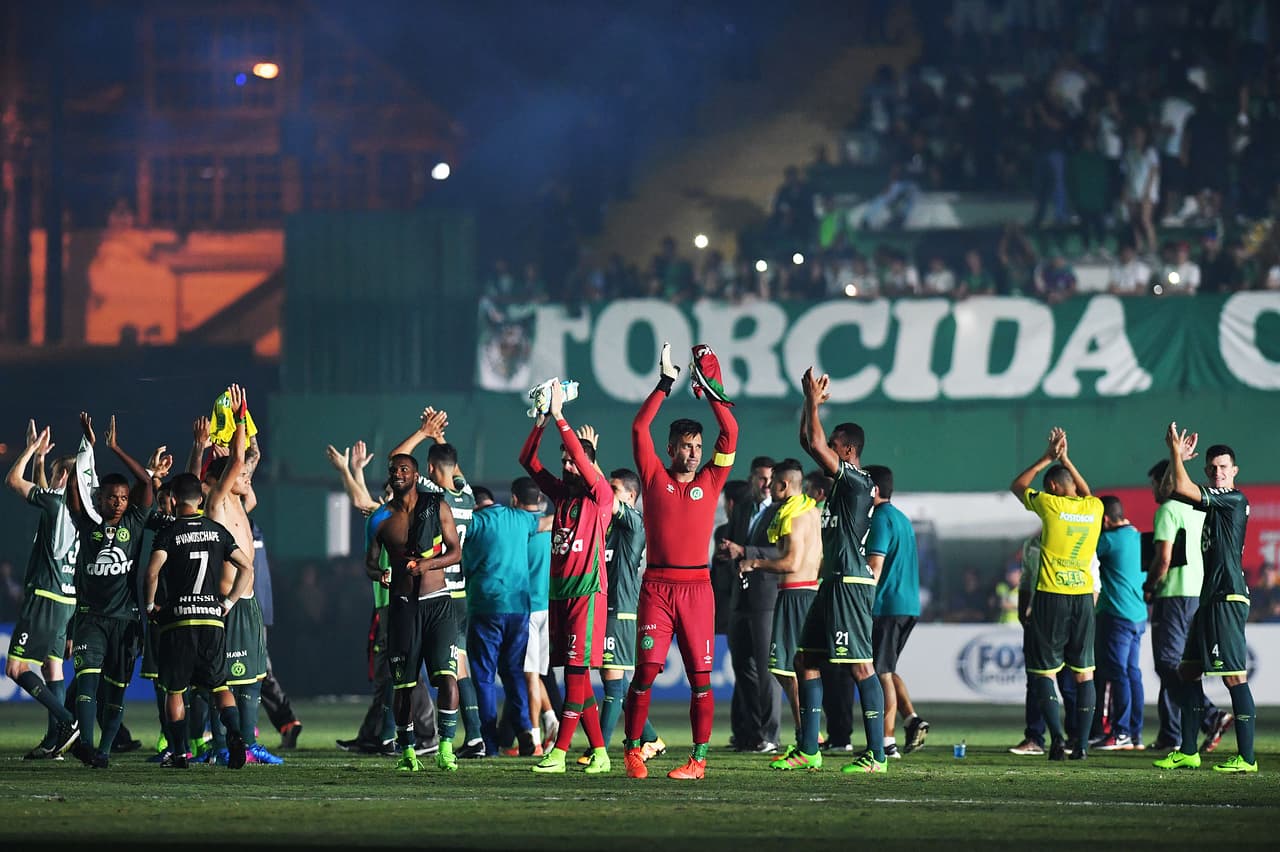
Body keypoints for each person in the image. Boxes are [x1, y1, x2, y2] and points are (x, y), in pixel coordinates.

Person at [623, 342, 738, 780]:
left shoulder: (713, 477)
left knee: (701, 680)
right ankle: (633, 750)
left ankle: (699, 760)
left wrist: (709, 389)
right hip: (656, 588)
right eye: (685, 446)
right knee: (647, 672)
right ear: (670, 448)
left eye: (697, 446)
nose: (692, 452)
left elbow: (731, 432)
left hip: (697, 591)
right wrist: (666, 384)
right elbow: (638, 429)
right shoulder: (653, 476)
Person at [786, 368, 885, 774]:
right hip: (832, 581)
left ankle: (877, 755)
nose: (825, 451)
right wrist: (809, 405)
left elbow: (815, 443)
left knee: (861, 665)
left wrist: (813, 403)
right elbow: (808, 441)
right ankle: (809, 748)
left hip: (850, 582)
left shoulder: (858, 483)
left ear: (846, 451)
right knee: (805, 659)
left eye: (833, 447)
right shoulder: (842, 485)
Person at [518, 380, 614, 774]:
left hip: (588, 594)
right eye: (565, 461)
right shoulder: (562, 496)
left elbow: (582, 458)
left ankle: (559, 752)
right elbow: (527, 460)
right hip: (559, 593)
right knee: (577, 681)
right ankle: (602, 753)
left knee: (575, 674)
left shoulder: (599, 495)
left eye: (574, 462)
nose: (568, 465)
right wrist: (542, 420)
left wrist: (561, 416)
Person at [1152, 429, 1258, 772]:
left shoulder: (1233, 499)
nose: (1218, 473)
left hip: (1227, 595)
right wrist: (1176, 459)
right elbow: (1170, 491)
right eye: (1212, 469)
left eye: (1223, 467)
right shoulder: (1210, 501)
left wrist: (1176, 454)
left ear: (1235, 470)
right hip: (1209, 597)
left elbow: (1181, 488)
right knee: (1187, 672)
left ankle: (1247, 757)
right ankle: (1187, 750)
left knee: (1233, 678)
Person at [327, 441, 437, 758]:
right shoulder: (388, 516)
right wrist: (358, 470)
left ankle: (411, 734)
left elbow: (359, 500)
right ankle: (378, 735)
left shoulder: (394, 517)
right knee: (393, 673)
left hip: (397, 605)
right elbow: (365, 502)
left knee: (399, 672)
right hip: (389, 604)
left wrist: (346, 470)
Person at [143, 473, 255, 770]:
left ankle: (180, 753)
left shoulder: (169, 532)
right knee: (219, 685)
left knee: (176, 690)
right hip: (212, 620)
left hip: (178, 622)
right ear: (201, 500)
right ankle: (235, 734)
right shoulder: (216, 531)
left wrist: (151, 605)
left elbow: (152, 572)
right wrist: (228, 602)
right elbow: (246, 566)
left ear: (175, 500)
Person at [388, 409, 482, 757]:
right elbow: (450, 465)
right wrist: (441, 441)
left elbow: (397, 460)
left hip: (436, 591)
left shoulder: (430, 494)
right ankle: (473, 736)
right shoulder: (467, 497)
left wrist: (424, 431)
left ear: (426, 471)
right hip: (460, 594)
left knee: (444, 670)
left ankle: (470, 738)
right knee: (458, 666)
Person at [66, 412, 155, 768]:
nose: (118, 502)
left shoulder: (135, 521)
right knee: (87, 683)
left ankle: (103, 751)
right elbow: (73, 496)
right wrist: (82, 453)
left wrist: (115, 447)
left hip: (125, 621)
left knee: (116, 691)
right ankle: (86, 746)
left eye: (121, 497)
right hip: (91, 619)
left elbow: (147, 484)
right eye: (111, 497)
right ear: (99, 499)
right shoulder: (87, 524)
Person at [1010, 426, 1102, 761]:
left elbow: (1017, 486)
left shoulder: (1048, 504)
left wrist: (1047, 458)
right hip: (1083, 597)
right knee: (1084, 672)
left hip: (1051, 595)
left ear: (1051, 486)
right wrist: (1066, 460)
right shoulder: (1094, 508)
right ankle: (1081, 744)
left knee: (1044, 672)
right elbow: (1085, 490)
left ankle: (1057, 740)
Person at [366, 452, 462, 772]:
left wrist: (426, 565)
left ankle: (445, 748)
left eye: (404, 469)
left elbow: (454, 552)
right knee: (404, 685)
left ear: (416, 474)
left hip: (438, 602)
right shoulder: (379, 518)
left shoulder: (437, 507)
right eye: (393, 469)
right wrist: (378, 573)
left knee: (448, 678)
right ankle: (407, 751)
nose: (398, 474)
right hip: (403, 606)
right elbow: (369, 561)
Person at [201, 386, 280, 766]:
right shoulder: (217, 501)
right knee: (224, 678)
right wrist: (238, 415)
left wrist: (242, 438)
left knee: (252, 675)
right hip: (228, 601)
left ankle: (248, 743)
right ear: (222, 478)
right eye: (239, 473)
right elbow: (236, 460)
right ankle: (221, 746)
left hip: (247, 601)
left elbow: (246, 460)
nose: (246, 475)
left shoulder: (239, 500)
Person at [575, 459, 665, 765]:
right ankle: (651, 739)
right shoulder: (608, 524)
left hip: (621, 610)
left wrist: (591, 464)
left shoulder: (635, 523)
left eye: (615, 490)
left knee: (612, 682)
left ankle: (598, 749)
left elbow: (602, 493)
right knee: (620, 684)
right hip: (603, 607)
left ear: (630, 497)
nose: (607, 494)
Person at [736, 459, 820, 766]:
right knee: (795, 669)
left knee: (787, 671)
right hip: (806, 592)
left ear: (784, 485)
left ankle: (807, 740)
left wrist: (753, 563)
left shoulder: (794, 517)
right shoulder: (809, 510)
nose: (769, 488)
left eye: (774, 484)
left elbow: (791, 563)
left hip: (795, 595)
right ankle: (808, 738)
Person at [4, 423, 80, 759]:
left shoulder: (56, 502)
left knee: (15, 669)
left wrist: (32, 449)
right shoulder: (81, 510)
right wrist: (42, 462)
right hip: (66, 599)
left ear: (63, 477)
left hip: (45, 596)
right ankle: (55, 743)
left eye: (52, 474)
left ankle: (67, 722)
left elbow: (13, 482)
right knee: (53, 668)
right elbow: (47, 496)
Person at [1144, 460, 1231, 753]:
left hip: (1174, 595)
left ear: (1165, 482)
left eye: (1155, 483)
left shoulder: (1168, 510)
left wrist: (1149, 585)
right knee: (1182, 666)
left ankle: (1210, 715)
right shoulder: (1197, 509)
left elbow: (1164, 559)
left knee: (1168, 664)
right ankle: (1171, 733)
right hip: (1198, 593)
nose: (1154, 489)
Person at [464, 478, 550, 758]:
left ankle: (489, 743)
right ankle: (525, 731)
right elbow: (545, 523)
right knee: (514, 673)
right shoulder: (519, 518)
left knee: (485, 678)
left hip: (487, 606)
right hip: (519, 608)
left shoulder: (474, 524)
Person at [864, 464, 928, 758]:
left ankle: (886, 743)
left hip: (887, 605)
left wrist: (862, 599)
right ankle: (912, 719)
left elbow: (875, 568)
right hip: (906, 605)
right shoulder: (901, 518)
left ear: (873, 490)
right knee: (886, 667)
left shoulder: (879, 519)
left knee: (881, 673)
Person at [719, 456, 782, 754]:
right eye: (761, 478)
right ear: (751, 480)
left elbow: (782, 551)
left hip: (766, 599)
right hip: (739, 598)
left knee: (766, 669)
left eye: (770, 479)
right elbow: (732, 541)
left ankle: (771, 734)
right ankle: (749, 732)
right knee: (741, 666)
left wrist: (744, 550)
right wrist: (728, 553)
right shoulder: (743, 509)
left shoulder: (782, 512)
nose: (766, 485)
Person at [1091, 496, 1146, 750]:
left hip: (1116, 615)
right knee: (1132, 673)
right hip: (1138, 615)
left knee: (1117, 674)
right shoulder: (1137, 537)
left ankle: (1120, 732)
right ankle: (1134, 734)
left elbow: (1084, 555)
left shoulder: (1108, 540)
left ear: (1104, 520)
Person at [252, 520, 302, 751]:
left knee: (253, 669)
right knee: (260, 669)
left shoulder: (232, 524)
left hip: (243, 610)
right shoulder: (254, 527)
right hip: (258, 610)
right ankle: (286, 722)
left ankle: (240, 728)